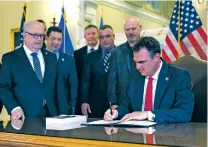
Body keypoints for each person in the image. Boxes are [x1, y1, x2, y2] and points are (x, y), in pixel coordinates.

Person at [104, 36, 194, 123]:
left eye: (142, 62)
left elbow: (184, 112)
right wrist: (116, 112)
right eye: (135, 62)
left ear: (156, 58)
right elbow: (127, 105)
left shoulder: (179, 76)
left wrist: (148, 114)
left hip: (166, 134)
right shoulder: (135, 75)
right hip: (138, 135)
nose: (137, 67)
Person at [0, 20, 68, 119]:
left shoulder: (51, 58)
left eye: (41, 36)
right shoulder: (10, 59)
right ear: (25, 35)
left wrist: (63, 113)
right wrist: (14, 108)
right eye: (35, 35)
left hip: (52, 116)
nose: (39, 39)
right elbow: (3, 87)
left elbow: (59, 87)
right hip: (25, 116)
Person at [80, 25, 115, 118]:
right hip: (95, 106)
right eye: (102, 37)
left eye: (108, 36)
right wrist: (84, 101)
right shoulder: (90, 57)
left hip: (117, 106)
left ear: (114, 37)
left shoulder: (122, 55)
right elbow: (85, 81)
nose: (105, 39)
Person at [107, 16, 142, 109]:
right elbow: (112, 80)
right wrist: (113, 103)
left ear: (140, 28)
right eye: (127, 29)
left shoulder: (150, 49)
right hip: (122, 104)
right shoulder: (116, 52)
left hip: (144, 101)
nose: (131, 32)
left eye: (133, 29)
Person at [46, 26, 78, 115]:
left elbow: (73, 84)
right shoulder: (39, 58)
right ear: (46, 38)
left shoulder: (69, 59)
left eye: (59, 39)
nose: (56, 42)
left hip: (63, 108)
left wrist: (72, 105)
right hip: (44, 108)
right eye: (53, 39)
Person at [74, 24, 99, 114]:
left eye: (93, 33)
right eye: (88, 34)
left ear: (98, 35)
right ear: (85, 37)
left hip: (100, 97)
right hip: (82, 98)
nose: (91, 36)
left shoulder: (105, 51)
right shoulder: (77, 54)